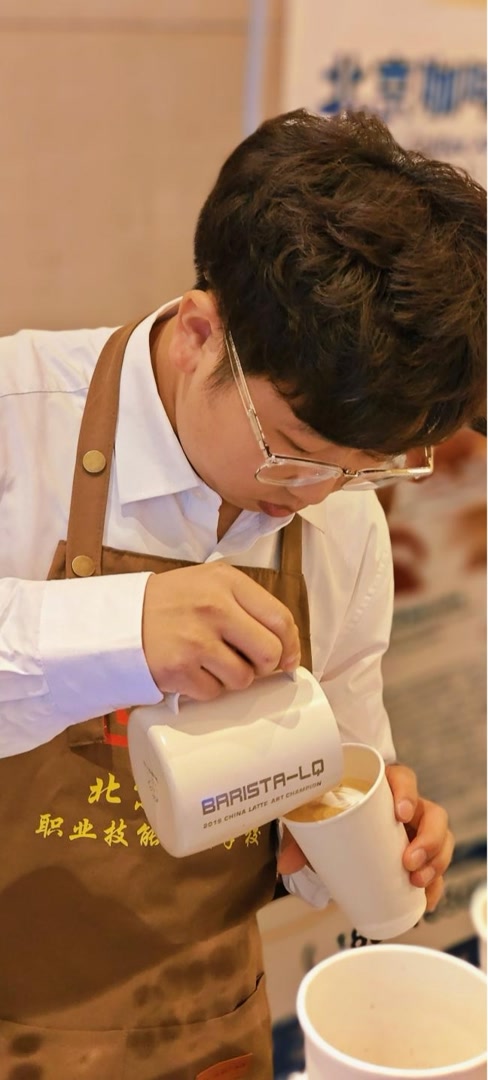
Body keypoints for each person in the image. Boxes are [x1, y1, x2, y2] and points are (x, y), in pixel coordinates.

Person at [0, 107, 485, 1080]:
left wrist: (365, 830)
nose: (320, 494)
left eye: (364, 468)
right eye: (293, 452)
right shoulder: (20, 420)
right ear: (199, 333)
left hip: (201, 1028)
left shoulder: (341, 513)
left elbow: (331, 765)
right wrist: (123, 630)